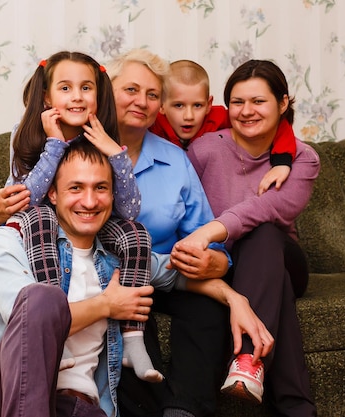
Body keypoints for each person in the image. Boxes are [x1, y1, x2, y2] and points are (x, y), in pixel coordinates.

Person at [0, 50, 161, 382]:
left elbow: (127, 210)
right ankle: (53, 333)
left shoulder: (102, 139)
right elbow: (30, 200)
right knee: (42, 218)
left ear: (99, 97)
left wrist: (115, 154)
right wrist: (55, 144)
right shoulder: (26, 134)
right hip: (38, 221)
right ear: (46, 96)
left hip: (89, 228)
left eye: (86, 88)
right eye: (66, 88)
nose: (77, 97)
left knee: (137, 232)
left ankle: (132, 339)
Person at [106, 49, 274, 417]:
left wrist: (215, 261)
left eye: (152, 95)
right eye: (131, 90)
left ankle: (184, 411)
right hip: (118, 278)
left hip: (177, 276)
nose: (143, 101)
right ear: (108, 89)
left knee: (208, 313)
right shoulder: (83, 153)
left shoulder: (175, 159)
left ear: (159, 106)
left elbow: (206, 234)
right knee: (127, 321)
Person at [0, 137, 174, 417]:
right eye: (76, 188)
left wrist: (235, 298)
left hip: (81, 408)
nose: (89, 201)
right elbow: (30, 322)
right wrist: (107, 305)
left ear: (113, 196)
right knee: (42, 298)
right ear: (53, 194)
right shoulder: (10, 242)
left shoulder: (118, 258)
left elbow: (178, 271)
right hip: (2, 404)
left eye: (101, 188)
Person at [182, 60, 319, 416]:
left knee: (263, 232)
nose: (246, 111)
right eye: (238, 102)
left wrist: (209, 231)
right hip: (225, 265)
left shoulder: (303, 159)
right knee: (279, 290)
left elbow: (271, 209)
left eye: (258, 101)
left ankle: (245, 355)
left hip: (279, 254)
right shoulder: (204, 149)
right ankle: (294, 405)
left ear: (283, 103)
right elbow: (183, 206)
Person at [150, 59, 296, 195]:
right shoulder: (152, 123)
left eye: (197, 105)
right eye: (178, 105)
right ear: (161, 105)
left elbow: (278, 124)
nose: (189, 116)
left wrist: (281, 162)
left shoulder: (218, 117)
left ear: (209, 105)